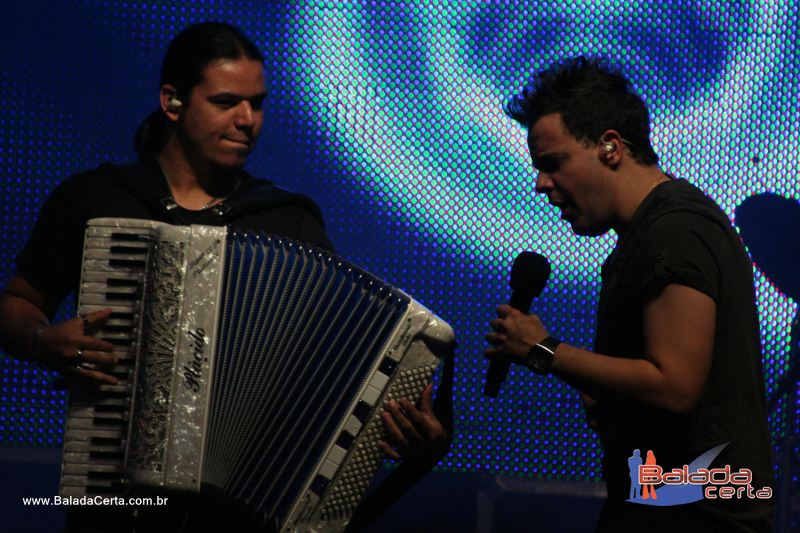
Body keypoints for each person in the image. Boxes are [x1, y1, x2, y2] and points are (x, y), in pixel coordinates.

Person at [0, 21, 449, 532]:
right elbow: (18, 303)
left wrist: (408, 427)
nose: (247, 120)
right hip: (116, 499)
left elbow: (338, 368)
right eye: (226, 102)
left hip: (244, 510)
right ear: (172, 101)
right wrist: (40, 340)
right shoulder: (97, 200)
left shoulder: (287, 221)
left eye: (257, 104)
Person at [484, 56, 772, 531]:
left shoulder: (675, 230)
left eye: (553, 164)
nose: (540, 184)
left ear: (610, 148)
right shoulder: (638, 241)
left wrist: (541, 350)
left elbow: (674, 386)